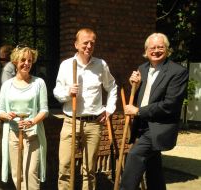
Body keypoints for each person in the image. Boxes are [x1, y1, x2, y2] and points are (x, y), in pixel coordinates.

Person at [120, 33, 188, 190]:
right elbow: (140, 97)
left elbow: (170, 105)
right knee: (153, 169)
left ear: (167, 49)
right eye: (152, 47)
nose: (156, 50)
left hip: (159, 127)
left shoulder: (177, 72)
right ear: (146, 50)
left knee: (135, 155)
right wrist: (133, 85)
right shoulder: (142, 69)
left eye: (160, 47)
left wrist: (137, 111)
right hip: (142, 126)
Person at [53, 28, 117, 190]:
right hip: (71, 121)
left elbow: (112, 87)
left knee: (89, 170)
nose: (89, 46)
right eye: (85, 42)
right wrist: (68, 92)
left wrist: (109, 109)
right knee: (65, 167)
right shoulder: (66, 65)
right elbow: (57, 92)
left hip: (94, 124)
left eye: (92, 43)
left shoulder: (101, 65)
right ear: (76, 44)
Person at [0, 46, 48, 190]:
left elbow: (44, 110)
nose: (27, 63)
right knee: (17, 175)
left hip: (33, 136)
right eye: (23, 60)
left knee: (31, 174)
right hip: (13, 136)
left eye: (30, 60)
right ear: (15, 61)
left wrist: (32, 121)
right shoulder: (7, 85)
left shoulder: (39, 83)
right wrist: (7, 116)